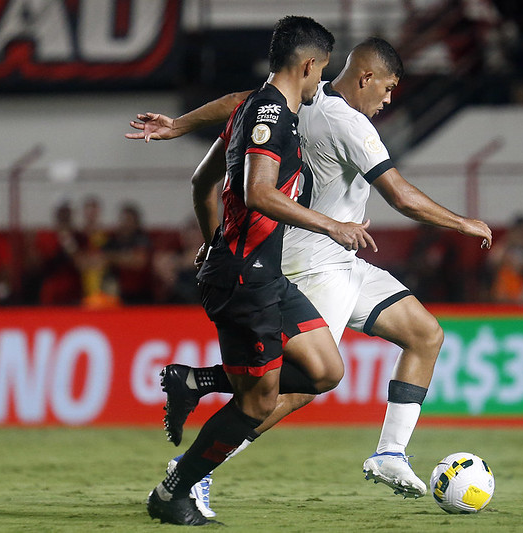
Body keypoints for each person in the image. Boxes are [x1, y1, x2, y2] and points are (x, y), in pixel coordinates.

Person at [127, 36, 492, 515]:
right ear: (366, 77)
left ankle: (389, 453)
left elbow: (241, 102)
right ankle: (196, 470)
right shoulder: (348, 123)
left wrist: (181, 125)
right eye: (387, 89)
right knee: (297, 387)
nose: (388, 101)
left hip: (342, 259)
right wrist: (462, 222)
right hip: (312, 262)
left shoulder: (303, 96)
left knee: (425, 335)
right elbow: (400, 196)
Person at [143, 16, 375, 526]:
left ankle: (197, 380)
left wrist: (210, 240)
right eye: (322, 72)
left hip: (260, 272)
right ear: (310, 64)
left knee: (325, 371)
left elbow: (202, 181)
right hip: (245, 278)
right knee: (258, 402)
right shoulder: (271, 113)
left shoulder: (254, 106)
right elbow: (259, 193)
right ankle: (173, 491)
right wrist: (331, 225)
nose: (322, 84)